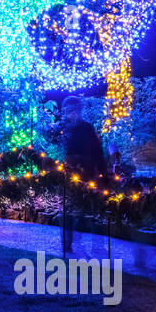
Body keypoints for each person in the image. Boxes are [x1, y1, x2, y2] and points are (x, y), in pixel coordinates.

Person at [58, 96, 105, 252]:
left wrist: (103, 173)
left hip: (87, 172)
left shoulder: (87, 128)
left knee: (88, 208)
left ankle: (93, 244)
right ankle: (67, 242)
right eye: (70, 111)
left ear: (80, 110)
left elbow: (98, 151)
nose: (73, 113)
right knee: (69, 207)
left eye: (75, 110)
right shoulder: (62, 128)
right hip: (70, 173)